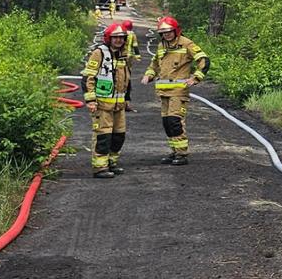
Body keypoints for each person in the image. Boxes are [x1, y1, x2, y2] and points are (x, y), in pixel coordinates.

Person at [142, 16, 209, 165]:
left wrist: (196, 77)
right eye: (164, 32)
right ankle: (174, 151)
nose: (167, 35)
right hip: (163, 92)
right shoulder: (161, 46)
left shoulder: (186, 44)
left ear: (176, 30)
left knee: (175, 121)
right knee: (167, 122)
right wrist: (149, 74)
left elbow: (204, 60)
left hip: (178, 92)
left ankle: (182, 154)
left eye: (169, 32)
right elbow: (155, 64)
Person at [84, 22, 135, 178]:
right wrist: (91, 100)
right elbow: (88, 77)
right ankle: (100, 168)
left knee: (119, 135)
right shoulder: (99, 53)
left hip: (118, 106)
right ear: (109, 38)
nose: (119, 40)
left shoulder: (123, 56)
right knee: (103, 137)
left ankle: (112, 163)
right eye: (115, 38)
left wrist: (127, 98)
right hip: (102, 105)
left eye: (121, 38)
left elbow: (127, 79)